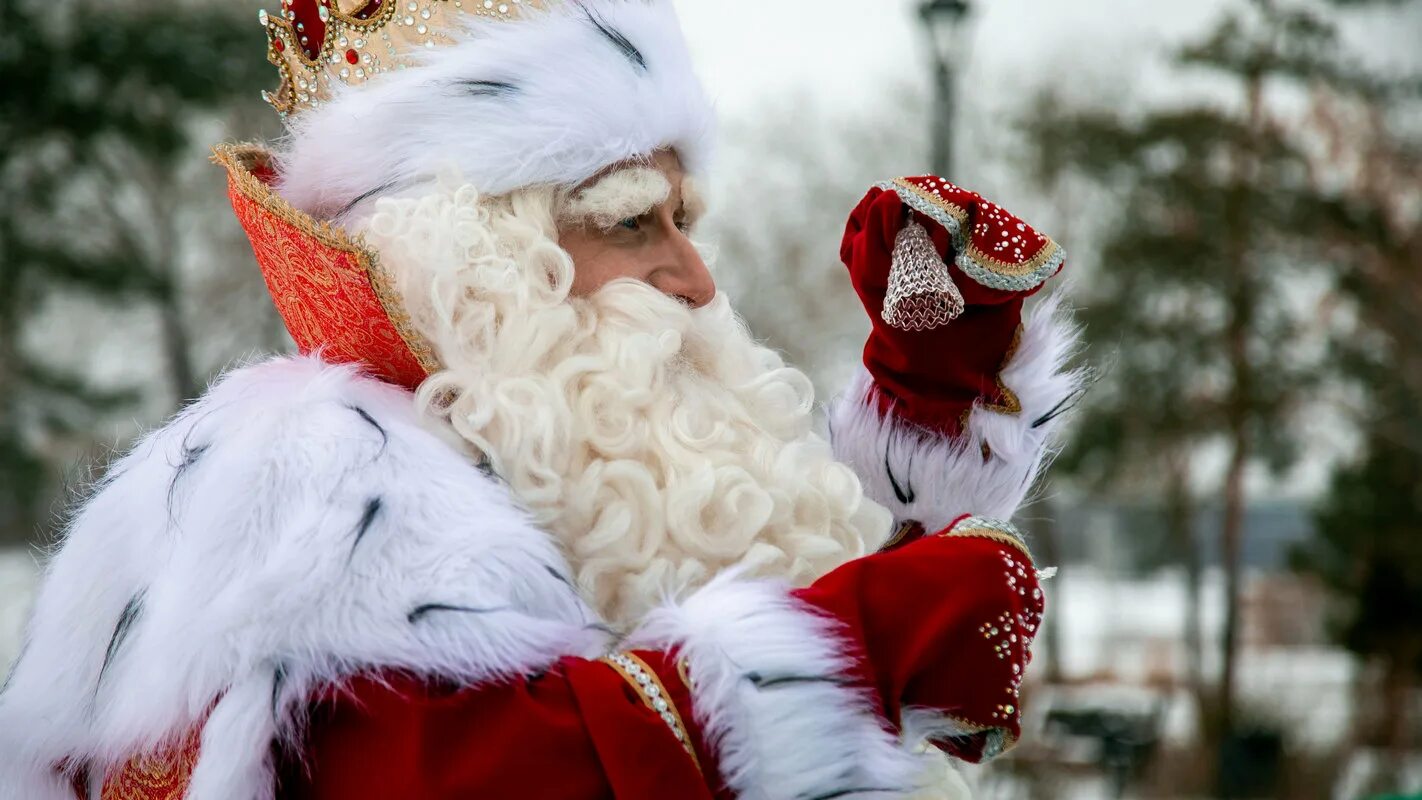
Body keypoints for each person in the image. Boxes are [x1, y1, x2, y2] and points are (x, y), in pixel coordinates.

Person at [0, 2, 1082, 798]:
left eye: (684, 219)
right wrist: (852, 645)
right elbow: (456, 769)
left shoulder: (522, 451)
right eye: (631, 222)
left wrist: (928, 412)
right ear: (477, 257)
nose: (698, 281)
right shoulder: (312, 474)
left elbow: (686, 611)